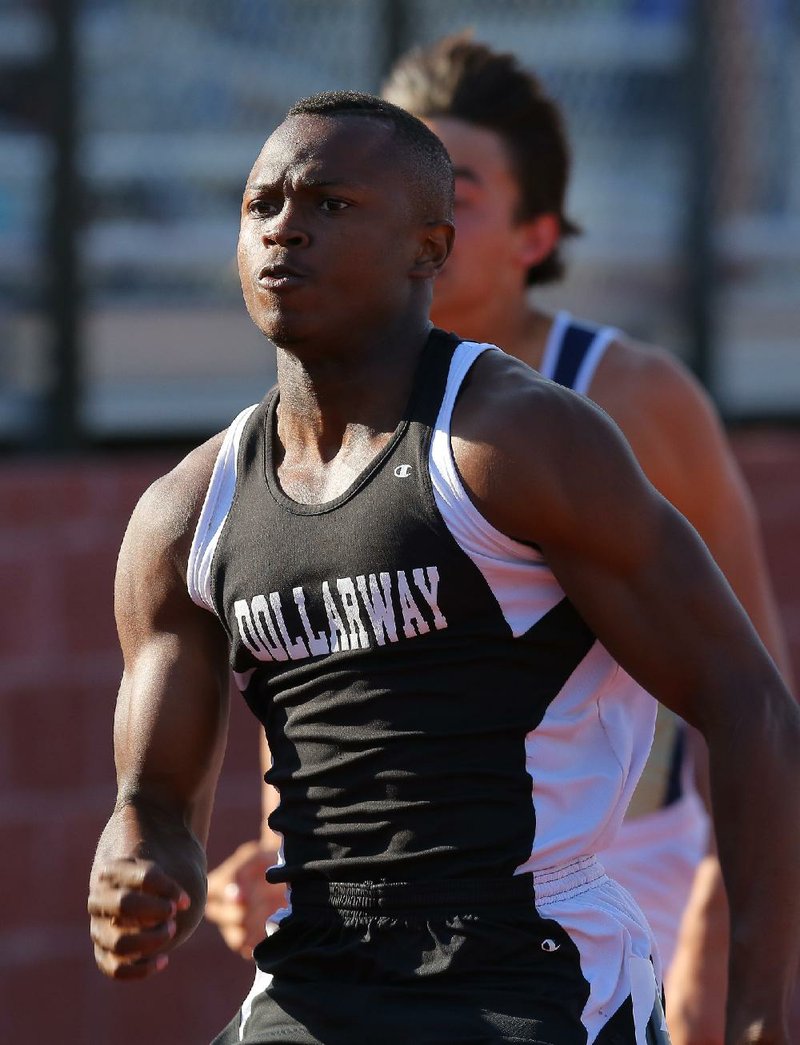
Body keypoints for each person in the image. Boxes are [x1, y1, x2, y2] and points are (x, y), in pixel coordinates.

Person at [87, 91, 800, 1045]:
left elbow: (749, 701)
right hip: (314, 974)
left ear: (430, 246)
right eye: (263, 205)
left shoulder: (519, 441)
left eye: (330, 205)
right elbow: (154, 805)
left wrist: (759, 1013)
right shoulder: (188, 513)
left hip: (529, 967)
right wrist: (136, 862)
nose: (286, 228)